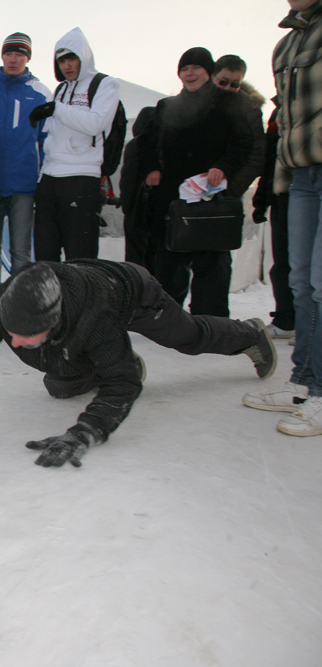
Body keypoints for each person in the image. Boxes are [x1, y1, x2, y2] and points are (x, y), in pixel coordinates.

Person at [0, 260, 276, 468]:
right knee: (59, 385)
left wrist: (85, 431)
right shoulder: (9, 302)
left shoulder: (96, 317)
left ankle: (248, 335)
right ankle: (112, 358)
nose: (14, 343)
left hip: (134, 293)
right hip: (80, 296)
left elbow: (123, 384)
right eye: (10, 333)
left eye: (25, 336)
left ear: (52, 322)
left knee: (188, 338)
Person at [243, 0, 322, 436]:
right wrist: (281, 180)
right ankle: (304, 382)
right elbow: (288, 120)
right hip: (301, 175)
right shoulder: (286, 45)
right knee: (301, 282)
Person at [137, 47, 254, 318]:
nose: (189, 73)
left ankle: (209, 322)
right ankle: (169, 320)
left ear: (208, 71)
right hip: (173, 196)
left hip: (212, 194)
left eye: (196, 68)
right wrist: (151, 168)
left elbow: (244, 143)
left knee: (212, 263)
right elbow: (146, 142)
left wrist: (223, 167)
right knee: (169, 262)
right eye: (184, 68)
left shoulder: (230, 102)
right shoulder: (167, 106)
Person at [29, 28, 120, 263]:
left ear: (84, 58)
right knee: (45, 257)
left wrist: (56, 109)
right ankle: (50, 290)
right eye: (61, 60)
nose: (66, 65)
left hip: (82, 176)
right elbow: (53, 133)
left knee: (80, 258)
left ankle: (81, 290)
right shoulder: (60, 89)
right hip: (50, 177)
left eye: (72, 58)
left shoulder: (105, 84)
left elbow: (95, 123)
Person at [0, 32, 52, 295]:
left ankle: (20, 303)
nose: (13, 60)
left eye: (19, 55)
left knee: (20, 250)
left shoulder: (40, 92)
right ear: (2, 56)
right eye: (8, 54)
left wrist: (42, 177)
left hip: (24, 184)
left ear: (27, 58)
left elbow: (47, 139)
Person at [251, 101, 295, 339]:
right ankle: (287, 319)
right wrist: (261, 198)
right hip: (280, 194)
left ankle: (310, 324)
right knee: (282, 264)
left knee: (307, 266)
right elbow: (269, 159)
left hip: (307, 191)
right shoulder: (279, 111)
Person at [212, 55, 267, 201]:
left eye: (235, 84)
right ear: (212, 77)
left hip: (227, 192)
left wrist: (230, 192)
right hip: (189, 189)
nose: (228, 88)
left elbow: (256, 157)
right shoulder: (195, 102)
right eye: (223, 82)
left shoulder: (250, 110)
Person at [119, 107, 158, 269]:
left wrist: (126, 206)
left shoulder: (135, 145)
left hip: (137, 209)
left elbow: (128, 178)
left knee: (136, 259)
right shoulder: (164, 144)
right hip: (158, 209)